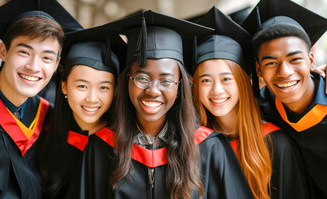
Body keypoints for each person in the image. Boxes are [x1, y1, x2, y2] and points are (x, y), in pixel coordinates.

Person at [80, 10, 253, 198]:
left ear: (180, 86)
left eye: (166, 80)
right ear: (127, 80)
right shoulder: (101, 148)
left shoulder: (209, 148)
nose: (153, 90)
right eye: (142, 78)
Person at [188, 6, 315, 199]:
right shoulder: (193, 142)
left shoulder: (275, 143)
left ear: (245, 82)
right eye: (206, 80)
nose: (217, 90)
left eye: (226, 79)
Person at [242, 0, 327, 199]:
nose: (284, 72)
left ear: (311, 60)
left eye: (295, 59)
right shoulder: (264, 108)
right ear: (259, 70)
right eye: (271, 63)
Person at [0, 0, 82, 198]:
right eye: (24, 52)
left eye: (46, 57)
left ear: (56, 65)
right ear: (4, 51)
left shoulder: (49, 118)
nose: (33, 66)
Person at [38, 25, 126, 198]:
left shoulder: (121, 147)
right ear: (64, 86)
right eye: (82, 86)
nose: (92, 98)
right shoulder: (43, 134)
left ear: (115, 90)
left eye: (103, 87)